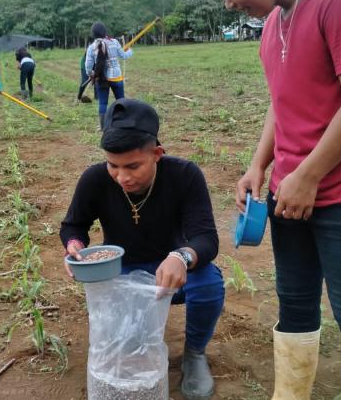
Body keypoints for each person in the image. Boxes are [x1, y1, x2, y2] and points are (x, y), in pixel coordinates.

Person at [200, 0, 341, 399]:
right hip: (289, 195)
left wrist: (309, 175)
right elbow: (281, 102)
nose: (229, 4)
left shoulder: (339, 2)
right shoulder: (273, 26)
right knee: (295, 304)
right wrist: (257, 166)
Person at [60, 98, 224, 400]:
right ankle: (132, 334)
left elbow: (206, 238)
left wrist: (181, 256)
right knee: (129, 344)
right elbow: (73, 226)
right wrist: (75, 246)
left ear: (157, 154)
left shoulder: (185, 176)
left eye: (133, 166)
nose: (122, 177)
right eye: (114, 165)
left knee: (209, 282)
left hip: (169, 273)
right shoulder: (95, 179)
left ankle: (194, 354)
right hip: (118, 273)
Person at [84, 22, 133, 129]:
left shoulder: (92, 47)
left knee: (103, 103)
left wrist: (91, 74)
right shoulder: (114, 42)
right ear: (104, 31)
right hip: (116, 77)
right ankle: (122, 123)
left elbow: (88, 66)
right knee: (120, 100)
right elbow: (124, 56)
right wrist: (130, 51)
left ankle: (102, 126)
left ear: (93, 34)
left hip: (101, 78)